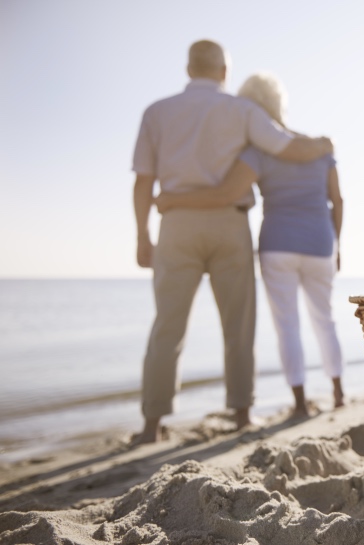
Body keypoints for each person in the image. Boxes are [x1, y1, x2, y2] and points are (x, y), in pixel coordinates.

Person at [132, 40, 333, 443]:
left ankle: (152, 425)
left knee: (167, 326)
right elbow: (288, 148)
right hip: (230, 225)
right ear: (224, 72)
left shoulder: (156, 111)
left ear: (189, 69)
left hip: (176, 225)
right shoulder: (242, 110)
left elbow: (143, 180)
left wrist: (142, 235)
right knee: (238, 325)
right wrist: (324, 145)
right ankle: (242, 413)